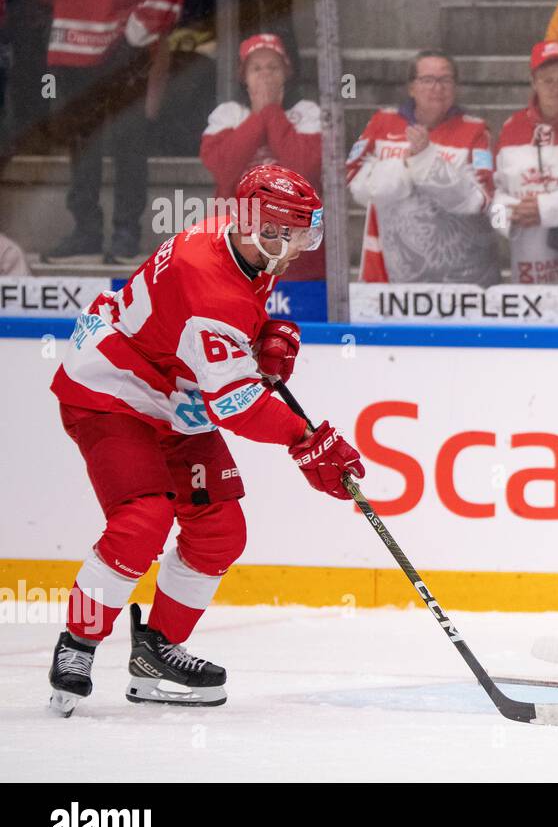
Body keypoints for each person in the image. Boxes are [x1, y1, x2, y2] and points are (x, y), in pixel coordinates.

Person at [46, 164, 365, 716]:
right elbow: (235, 404)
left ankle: (157, 651)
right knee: (143, 519)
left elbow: (220, 339)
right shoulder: (211, 280)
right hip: (112, 390)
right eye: (285, 235)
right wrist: (305, 439)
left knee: (219, 531)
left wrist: (267, 336)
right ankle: (78, 643)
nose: (294, 249)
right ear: (255, 224)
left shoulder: (241, 242)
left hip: (175, 395)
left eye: (300, 234)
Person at [30, 0, 187, 264]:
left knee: (127, 138)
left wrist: (136, 32)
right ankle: (86, 229)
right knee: (82, 140)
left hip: (122, 43)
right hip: (69, 41)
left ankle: (126, 229)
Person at [347, 50, 500, 286]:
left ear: (455, 87)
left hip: (459, 280)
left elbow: (482, 199)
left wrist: (426, 160)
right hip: (386, 275)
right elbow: (353, 180)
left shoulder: (476, 130)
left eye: (445, 80)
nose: (437, 87)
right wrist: (405, 166)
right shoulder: (382, 122)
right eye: (427, 80)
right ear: (411, 87)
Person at [200, 33, 323, 280]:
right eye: (256, 68)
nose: (265, 74)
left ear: (286, 73)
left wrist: (271, 113)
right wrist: (261, 117)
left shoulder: (308, 112)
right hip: (238, 248)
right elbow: (224, 171)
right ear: (243, 77)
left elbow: (304, 170)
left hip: (296, 254)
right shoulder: (227, 114)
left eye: (272, 67)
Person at [492, 41, 558, 286]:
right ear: (533, 83)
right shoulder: (511, 128)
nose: (556, 88)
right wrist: (508, 217)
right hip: (527, 276)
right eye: (547, 80)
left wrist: (546, 209)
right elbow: (494, 200)